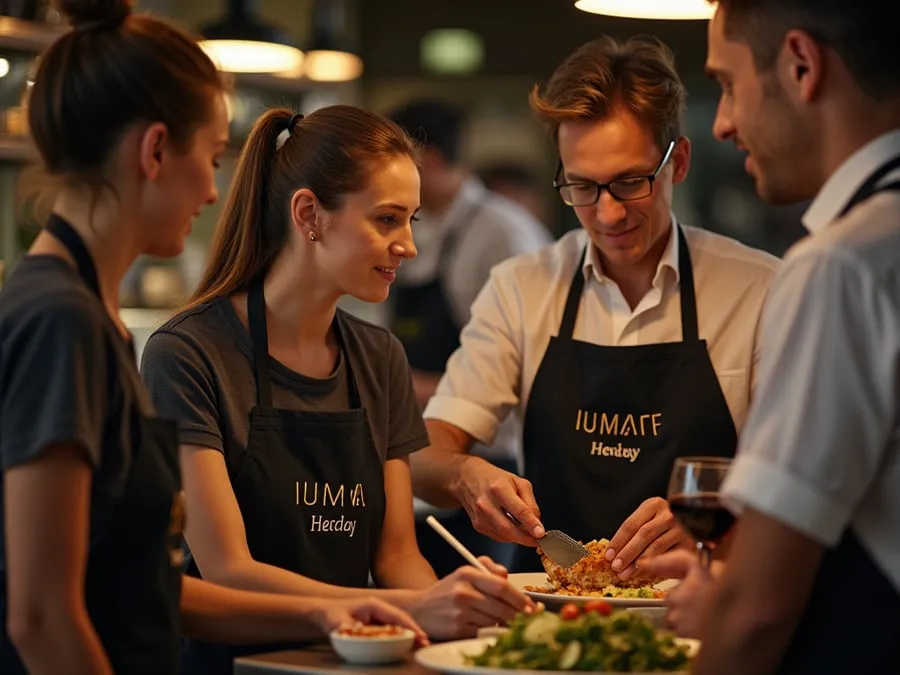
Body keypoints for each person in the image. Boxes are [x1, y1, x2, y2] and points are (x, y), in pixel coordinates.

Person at [0, 2, 424, 675]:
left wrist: (322, 610)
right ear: (157, 150)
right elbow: (42, 611)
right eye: (213, 156)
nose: (213, 188)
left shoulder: (85, 311)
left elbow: (143, 584)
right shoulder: (63, 318)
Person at [140, 104, 534, 675]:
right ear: (309, 215)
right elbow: (227, 567)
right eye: (386, 219)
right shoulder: (188, 354)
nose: (409, 246)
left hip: (354, 662)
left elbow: (397, 554)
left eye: (413, 221)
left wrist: (454, 613)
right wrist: (411, 606)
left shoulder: (379, 357)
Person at [410, 35, 782, 575]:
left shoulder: (761, 289)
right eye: (582, 186)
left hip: (705, 604)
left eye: (630, 183)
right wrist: (466, 475)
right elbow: (424, 456)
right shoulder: (523, 287)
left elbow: (806, 477)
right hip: (554, 608)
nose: (607, 214)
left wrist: (724, 514)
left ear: (677, 163)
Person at [642, 1, 900, 673]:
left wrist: (724, 614)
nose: (724, 122)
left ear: (800, 64)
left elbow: (758, 610)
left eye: (727, 84)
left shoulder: (843, 264)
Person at [384, 98, 552, 575]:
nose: (403, 243)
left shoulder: (503, 233)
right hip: (425, 456)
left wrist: (409, 386)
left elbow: (523, 370)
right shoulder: (432, 225)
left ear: (430, 160)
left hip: (491, 460)